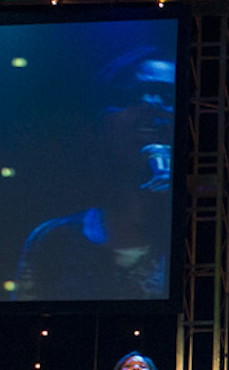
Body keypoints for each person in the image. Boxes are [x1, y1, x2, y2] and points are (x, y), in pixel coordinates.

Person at [14, 48, 176, 301]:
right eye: (131, 96)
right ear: (98, 124)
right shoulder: (53, 240)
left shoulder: (211, 228)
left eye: (167, 96)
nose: (150, 105)